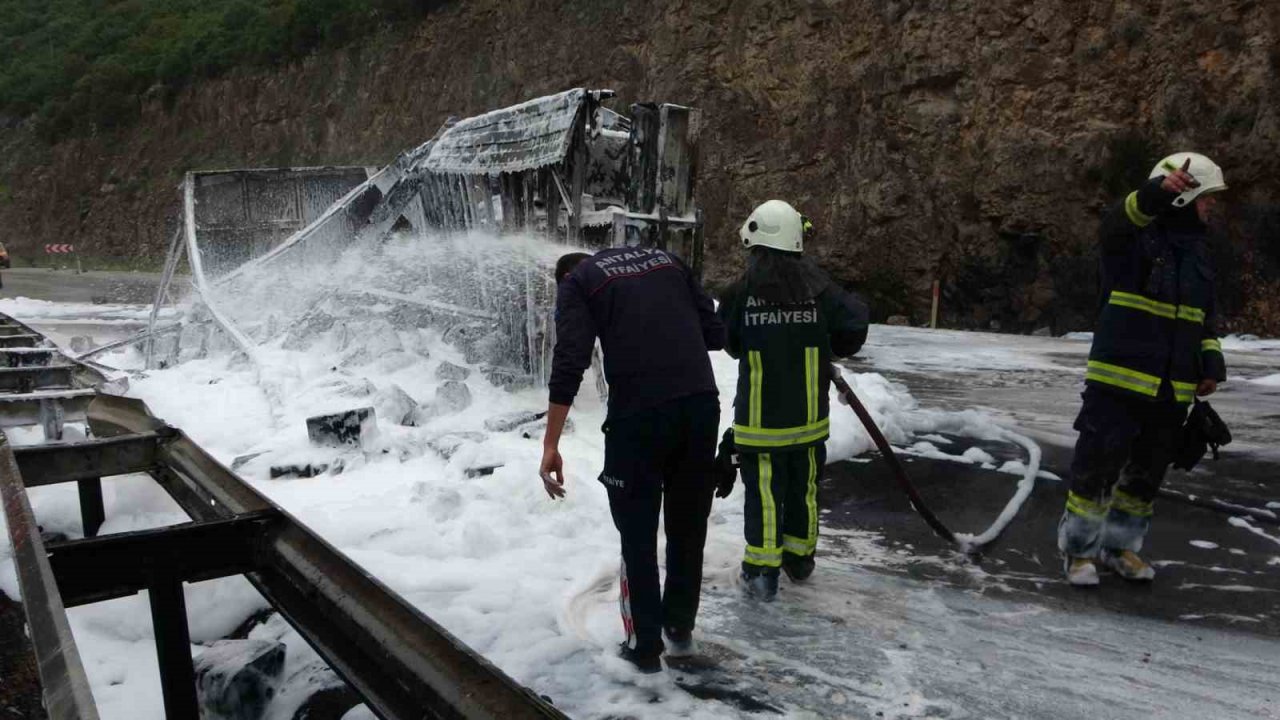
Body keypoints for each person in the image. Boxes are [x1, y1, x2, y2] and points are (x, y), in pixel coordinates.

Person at [540, 246, 725, 673]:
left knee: (637, 532)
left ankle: (644, 646)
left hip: (639, 417)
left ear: (565, 278)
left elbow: (571, 359)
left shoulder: (578, 283)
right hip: (700, 406)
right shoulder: (668, 261)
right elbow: (715, 335)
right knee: (687, 524)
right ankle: (679, 628)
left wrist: (550, 444)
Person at [1059, 152, 1228, 586]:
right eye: (1207, 197)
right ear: (1182, 196)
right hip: (1118, 384)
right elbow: (1115, 223)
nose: (1212, 206)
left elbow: (1203, 318)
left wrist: (1209, 362)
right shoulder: (1132, 242)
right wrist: (1153, 194)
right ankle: (1078, 553)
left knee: (1145, 476)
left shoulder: (1200, 255)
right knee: (1097, 468)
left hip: (1172, 389)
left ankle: (1120, 549)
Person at [716, 200, 869, 601]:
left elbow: (727, 342)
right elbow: (854, 325)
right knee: (803, 490)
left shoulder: (740, 293)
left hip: (760, 425)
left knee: (765, 496)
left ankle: (763, 573)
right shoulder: (818, 287)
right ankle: (800, 561)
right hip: (808, 424)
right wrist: (824, 342)